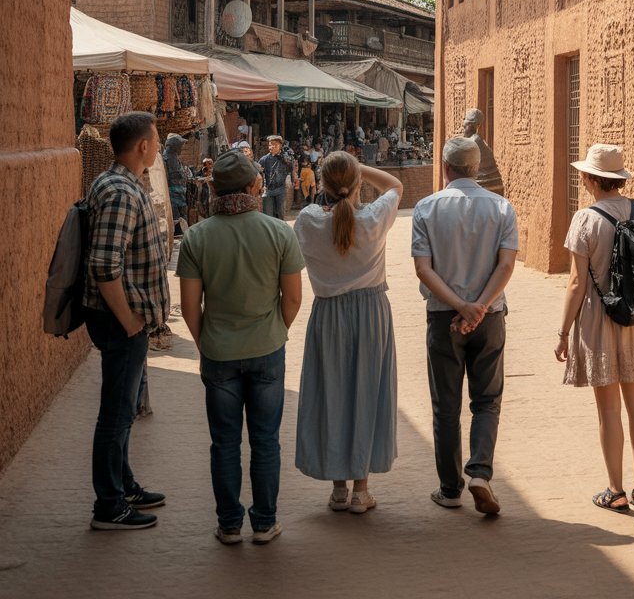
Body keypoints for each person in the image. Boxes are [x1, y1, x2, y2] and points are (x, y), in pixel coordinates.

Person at [177, 150, 304, 545]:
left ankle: (229, 524)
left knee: (224, 443)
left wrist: (205, 343)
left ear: (214, 189)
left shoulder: (197, 237)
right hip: (267, 348)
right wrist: (276, 331)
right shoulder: (279, 231)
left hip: (219, 353)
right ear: (253, 187)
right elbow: (293, 298)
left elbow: (189, 306)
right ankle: (264, 522)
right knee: (265, 440)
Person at [555, 143, 634, 513]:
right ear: (618, 180)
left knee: (608, 411)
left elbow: (577, 283)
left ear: (590, 179)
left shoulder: (585, 220)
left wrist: (563, 333)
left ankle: (615, 490)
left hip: (600, 321)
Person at [411, 136, 518, 515]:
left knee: (446, 405)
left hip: (444, 317)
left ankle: (450, 488)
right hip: (489, 317)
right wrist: (480, 307)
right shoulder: (502, 208)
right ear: (476, 168)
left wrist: (460, 306)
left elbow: (423, 269)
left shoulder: (427, 208)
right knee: (487, 400)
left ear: (446, 168)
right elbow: (506, 265)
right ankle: (480, 472)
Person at [293, 153, 404, 513]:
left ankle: (338, 488)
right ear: (357, 184)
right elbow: (395, 186)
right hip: (371, 313)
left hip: (328, 315)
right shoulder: (372, 218)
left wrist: (343, 174)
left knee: (332, 394)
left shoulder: (309, 221)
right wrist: (358, 168)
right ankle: (361, 489)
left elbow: (322, 209)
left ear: (323, 185)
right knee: (366, 393)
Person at [82, 111, 170, 530]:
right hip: (120, 322)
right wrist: (130, 320)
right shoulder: (119, 191)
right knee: (116, 413)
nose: (158, 146)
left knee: (123, 409)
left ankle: (124, 484)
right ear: (143, 146)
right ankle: (109, 505)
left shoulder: (122, 183)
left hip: (124, 320)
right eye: (156, 140)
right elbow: (104, 265)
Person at [462, 108, 504, 195]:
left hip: (484, 187)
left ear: (473, 125)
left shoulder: (474, 142)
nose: (463, 128)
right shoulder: (477, 140)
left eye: (466, 125)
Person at [162, 133, 191, 235]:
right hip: (173, 200)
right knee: (178, 228)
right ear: (174, 145)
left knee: (183, 225)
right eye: (180, 145)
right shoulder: (167, 158)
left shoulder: (174, 158)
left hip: (180, 198)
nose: (182, 148)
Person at [257, 135, 291, 220]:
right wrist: (261, 187)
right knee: (268, 216)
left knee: (280, 215)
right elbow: (258, 173)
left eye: (275, 145)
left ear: (280, 146)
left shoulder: (285, 159)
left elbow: (291, 170)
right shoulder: (264, 159)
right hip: (268, 190)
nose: (271, 147)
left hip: (281, 190)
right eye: (270, 144)